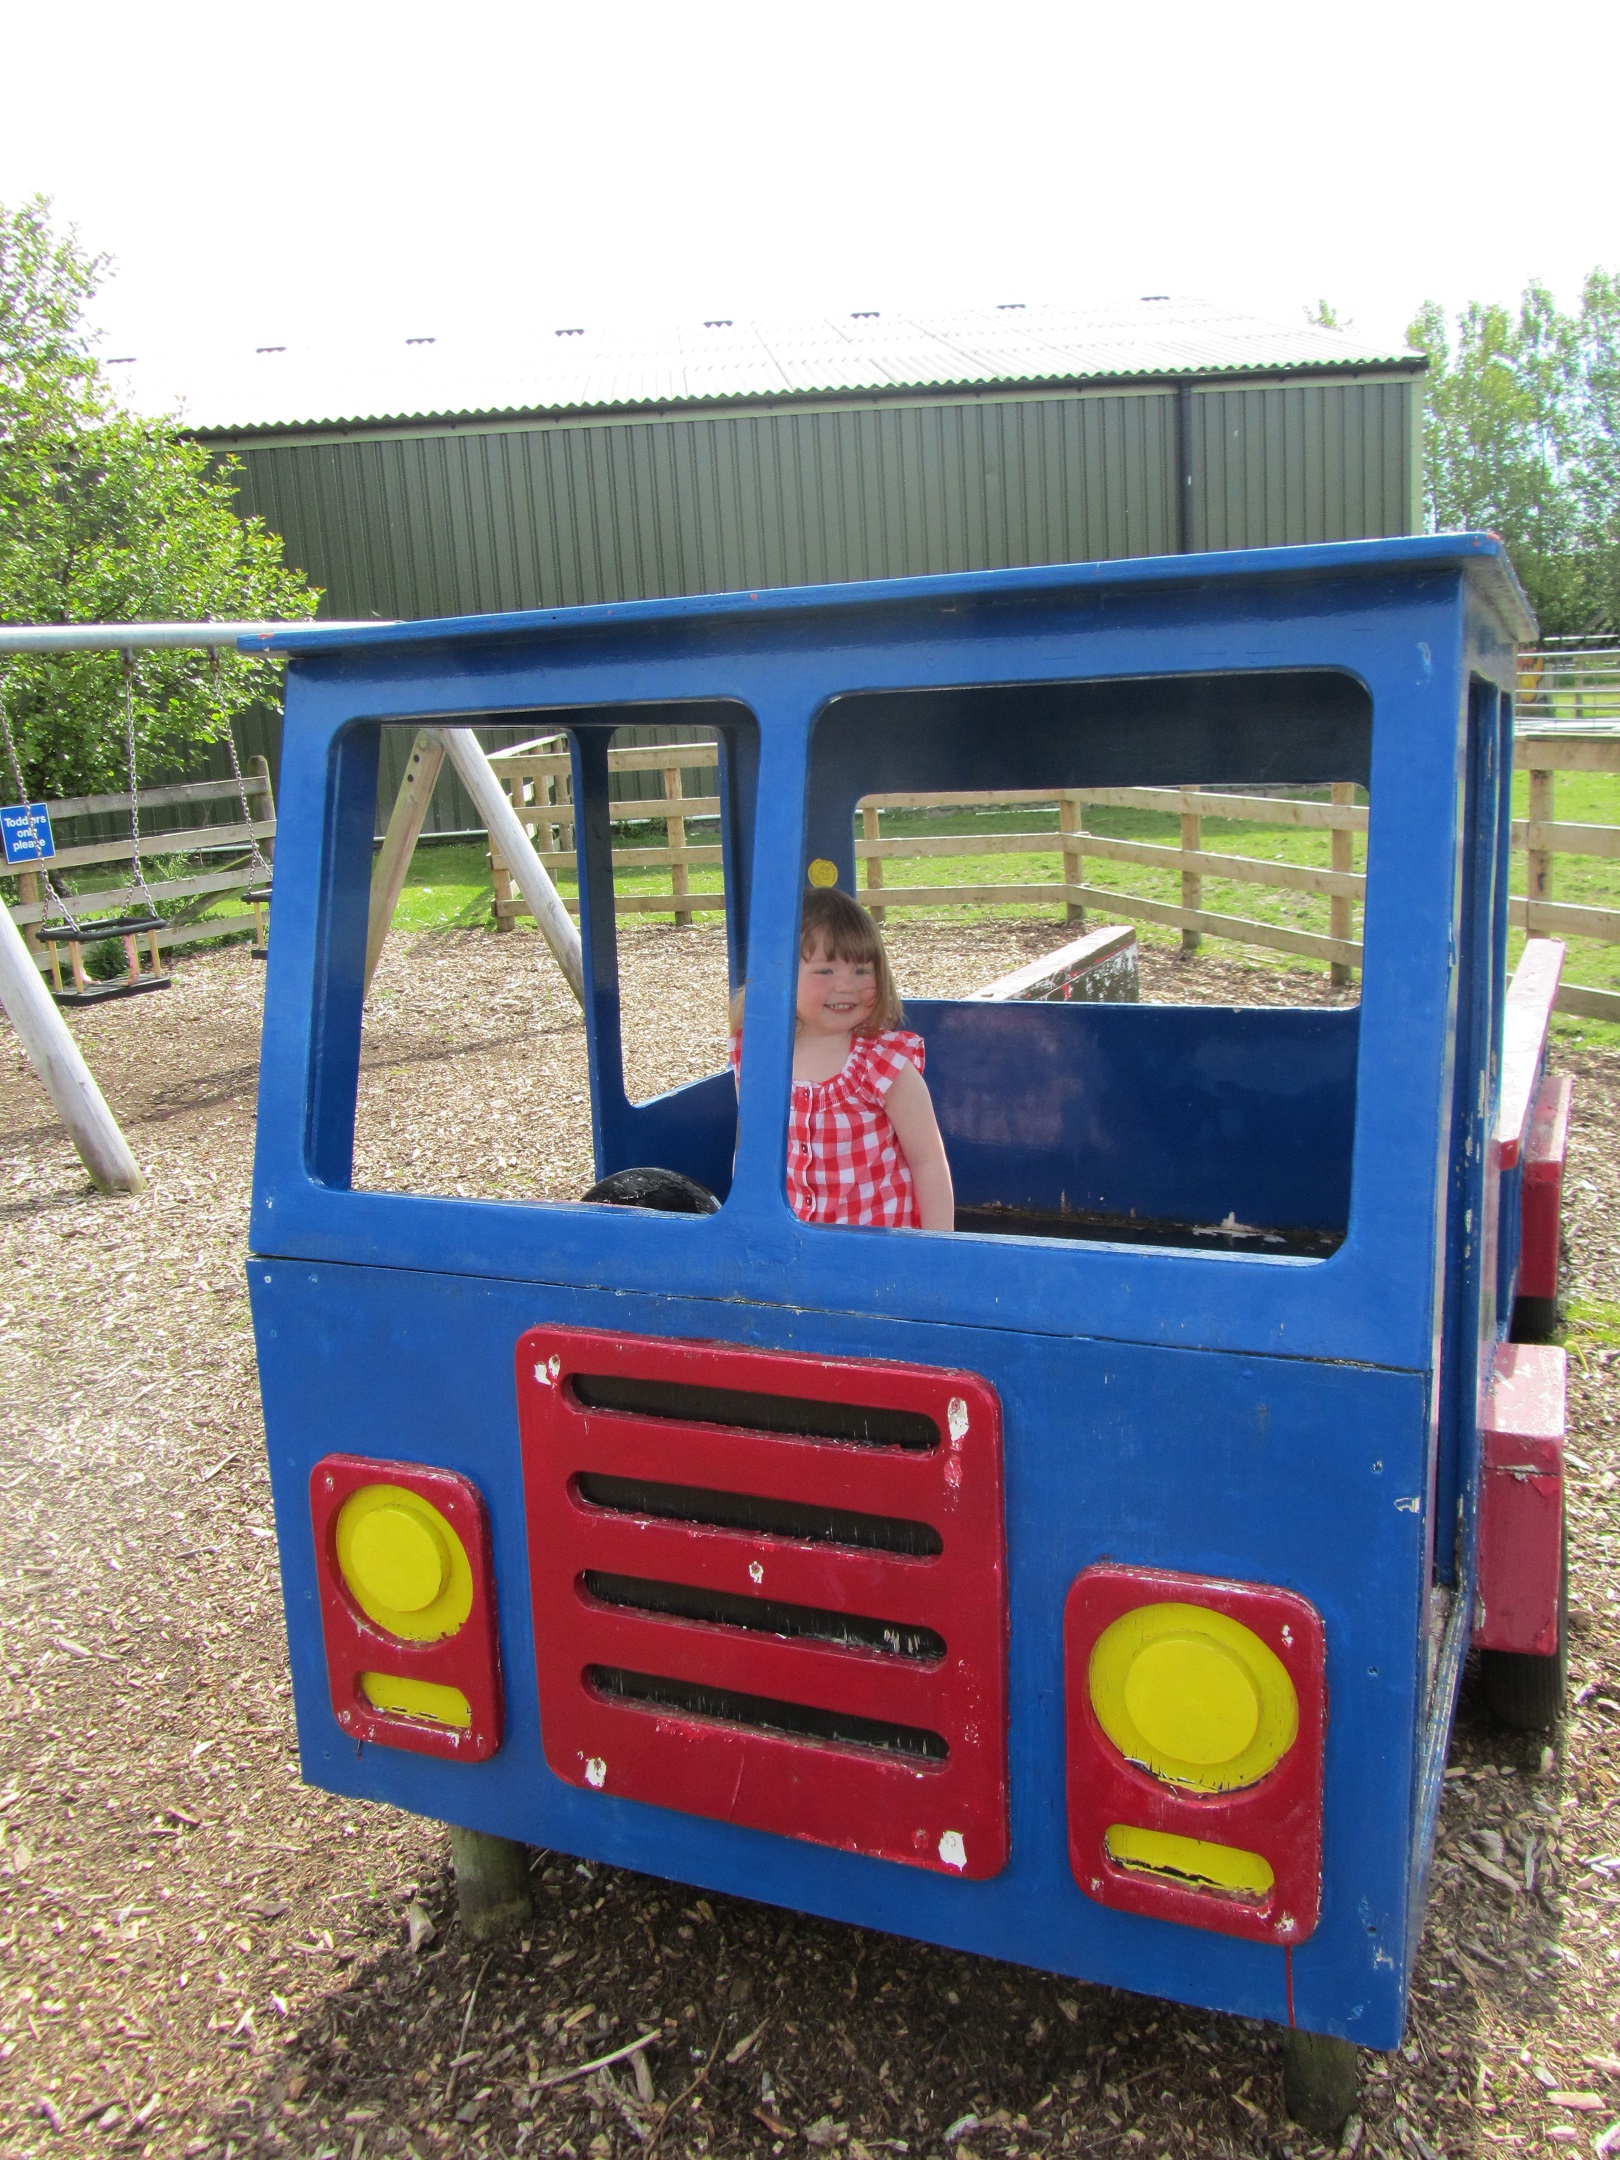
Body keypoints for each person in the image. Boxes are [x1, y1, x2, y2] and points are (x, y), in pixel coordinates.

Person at [729, 887, 955, 1231]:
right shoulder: (758, 1056)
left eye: (862, 971)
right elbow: (749, 1150)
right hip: (791, 1248)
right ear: (780, 974)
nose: (847, 986)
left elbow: (928, 1163)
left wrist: (940, 1249)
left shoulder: (885, 1065)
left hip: (877, 1249)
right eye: (825, 971)